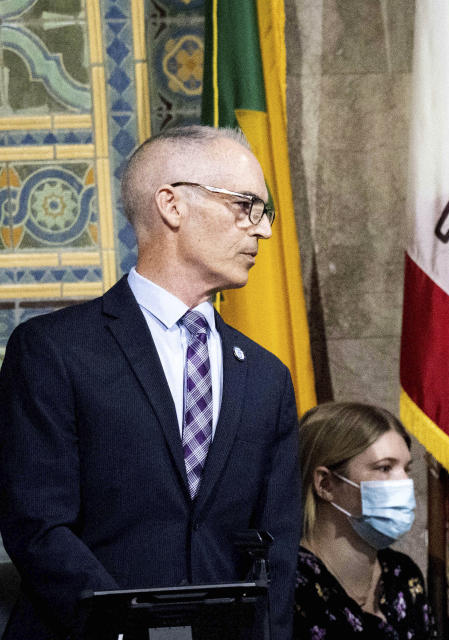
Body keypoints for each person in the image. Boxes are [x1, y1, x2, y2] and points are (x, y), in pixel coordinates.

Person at [0, 125, 300, 639]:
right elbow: (38, 526)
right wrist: (132, 630)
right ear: (172, 205)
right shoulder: (53, 350)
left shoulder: (267, 376)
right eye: (246, 205)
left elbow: (278, 548)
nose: (263, 230)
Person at [295, 401, 437, 640]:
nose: (403, 483)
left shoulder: (401, 574)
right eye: (384, 468)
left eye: (406, 469)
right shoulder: (290, 587)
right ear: (325, 484)